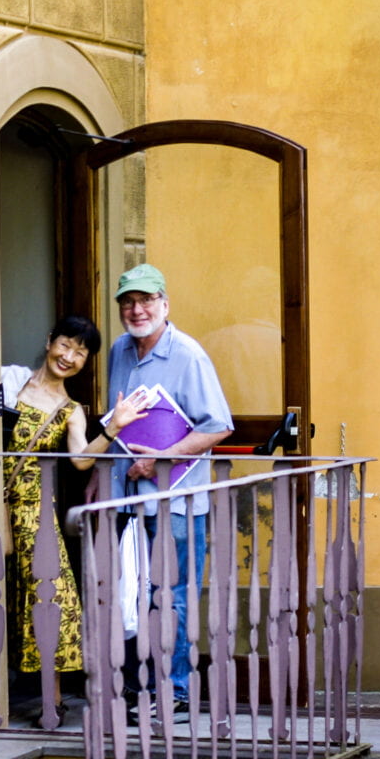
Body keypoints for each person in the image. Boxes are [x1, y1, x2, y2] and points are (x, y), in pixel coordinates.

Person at [4, 315, 148, 726]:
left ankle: (52, 701)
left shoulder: (71, 411)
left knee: (50, 597)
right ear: (50, 341)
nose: (68, 357)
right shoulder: (9, 384)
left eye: (80, 353)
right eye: (65, 345)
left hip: (35, 513)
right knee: (1, 595)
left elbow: (81, 459)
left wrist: (114, 426)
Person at [107, 264, 234, 719]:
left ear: (165, 304)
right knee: (131, 591)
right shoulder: (120, 350)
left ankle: (177, 690)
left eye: (146, 300)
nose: (136, 309)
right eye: (128, 302)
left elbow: (217, 426)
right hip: (127, 498)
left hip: (176, 502)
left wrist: (161, 460)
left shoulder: (189, 355)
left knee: (173, 594)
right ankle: (140, 684)